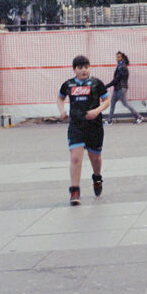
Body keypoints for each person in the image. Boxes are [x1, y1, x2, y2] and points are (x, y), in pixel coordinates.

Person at [57, 55, 108, 205]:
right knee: (75, 158)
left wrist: (97, 111)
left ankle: (97, 178)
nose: (83, 70)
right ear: (74, 70)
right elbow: (60, 98)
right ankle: (74, 190)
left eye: (86, 67)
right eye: (80, 68)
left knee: (96, 158)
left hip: (94, 126)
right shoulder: (69, 85)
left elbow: (107, 100)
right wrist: (62, 111)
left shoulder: (97, 84)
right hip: (76, 125)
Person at [105, 51, 142, 125]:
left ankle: (138, 117)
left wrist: (106, 86)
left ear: (122, 58)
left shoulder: (122, 67)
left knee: (125, 103)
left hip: (121, 88)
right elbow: (116, 79)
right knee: (112, 103)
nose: (117, 58)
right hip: (117, 88)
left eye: (118, 57)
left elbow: (117, 79)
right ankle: (109, 120)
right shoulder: (120, 65)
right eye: (117, 57)